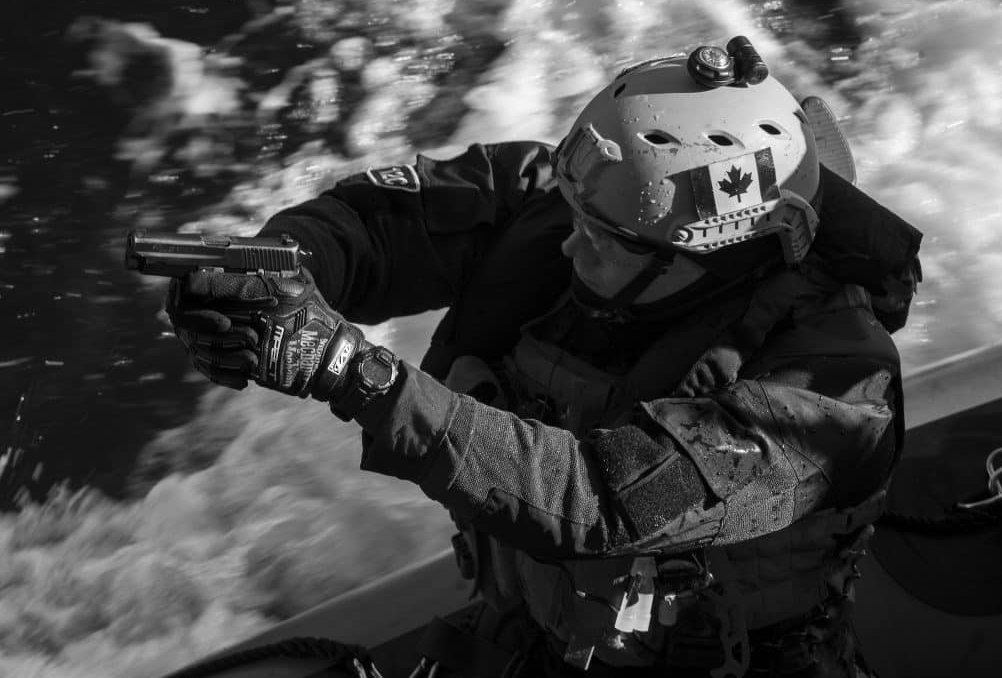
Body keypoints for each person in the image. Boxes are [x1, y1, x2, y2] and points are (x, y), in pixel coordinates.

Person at [167, 37, 922, 677]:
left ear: (723, 255)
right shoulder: (585, 203)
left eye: (604, 240)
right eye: (579, 218)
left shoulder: (836, 389)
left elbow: (601, 500)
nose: (570, 243)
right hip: (526, 637)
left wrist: (348, 370)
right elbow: (370, 228)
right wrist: (266, 277)